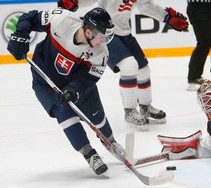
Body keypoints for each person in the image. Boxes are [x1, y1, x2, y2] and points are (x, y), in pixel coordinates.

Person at [7, 7, 126, 177]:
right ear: (88, 31)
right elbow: (31, 17)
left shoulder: (100, 53)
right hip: (45, 81)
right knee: (64, 114)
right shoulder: (61, 20)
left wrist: (74, 90)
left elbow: (88, 78)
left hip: (76, 85)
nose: (104, 40)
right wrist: (21, 35)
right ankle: (89, 154)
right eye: (101, 36)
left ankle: (110, 142)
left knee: (97, 117)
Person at [58, 0, 189, 130]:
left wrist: (166, 17)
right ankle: (130, 112)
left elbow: (146, 6)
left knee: (143, 70)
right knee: (129, 66)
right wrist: (74, 2)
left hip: (124, 32)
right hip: (105, 33)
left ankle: (145, 107)